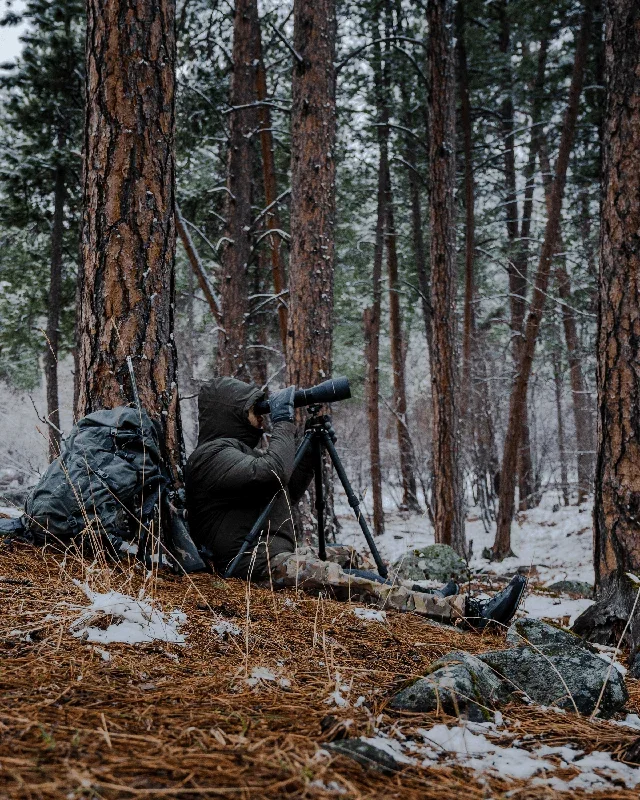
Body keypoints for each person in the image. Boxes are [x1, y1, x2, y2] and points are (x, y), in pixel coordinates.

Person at [185, 377, 526, 629]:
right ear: (230, 413)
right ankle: (468, 612)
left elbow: (283, 494)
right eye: (253, 409)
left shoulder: (236, 454)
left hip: (272, 552)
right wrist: (285, 422)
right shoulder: (211, 456)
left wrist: (308, 444)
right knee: (347, 580)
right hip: (252, 564)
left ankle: (419, 593)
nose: (260, 416)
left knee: (346, 554)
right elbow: (273, 472)